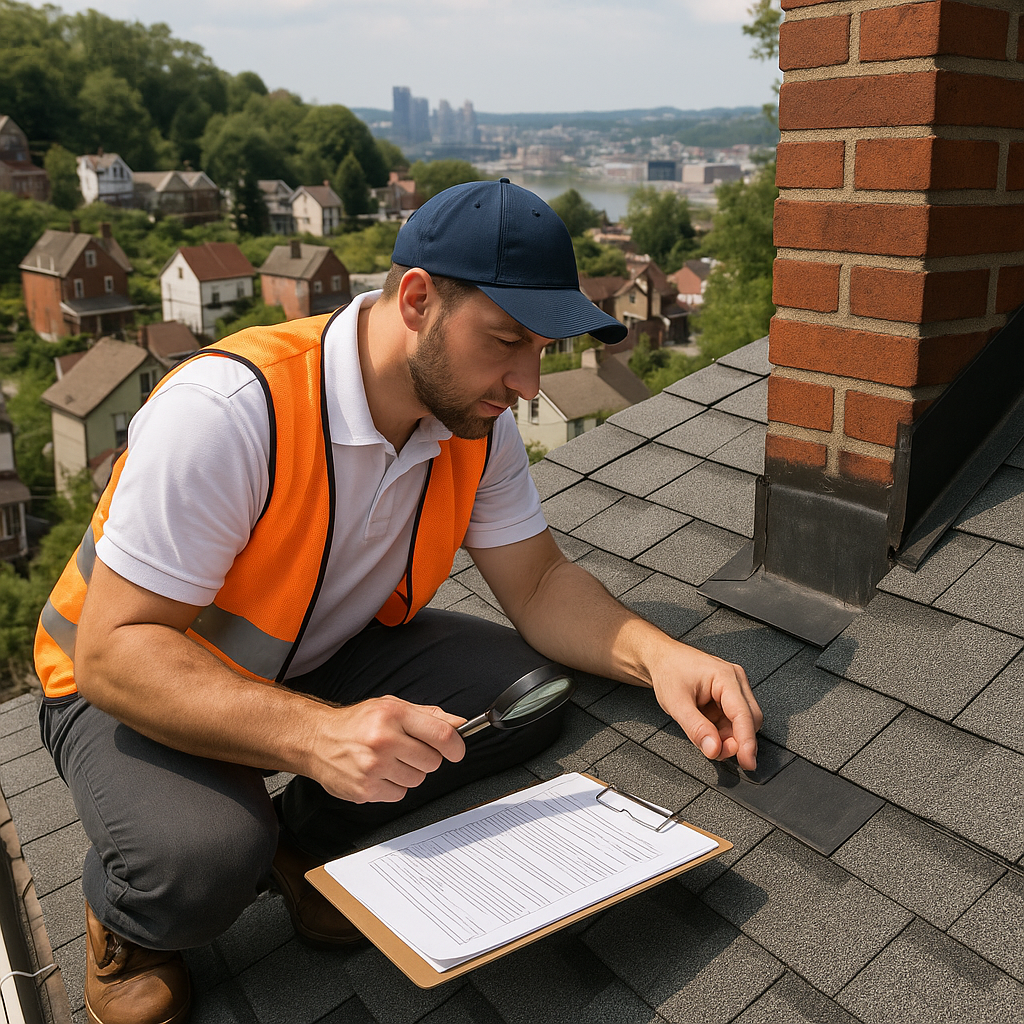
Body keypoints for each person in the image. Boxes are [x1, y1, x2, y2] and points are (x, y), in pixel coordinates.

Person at [34, 178, 762, 1024]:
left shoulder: (471, 422)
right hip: (128, 686)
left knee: (523, 696)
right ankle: (133, 921)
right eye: (507, 342)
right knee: (205, 856)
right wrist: (315, 734)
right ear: (417, 299)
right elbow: (114, 652)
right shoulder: (230, 411)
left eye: (543, 351)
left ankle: (305, 842)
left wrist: (661, 655)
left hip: (314, 659)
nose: (528, 383)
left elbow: (539, 583)